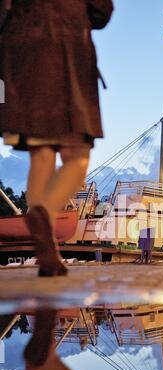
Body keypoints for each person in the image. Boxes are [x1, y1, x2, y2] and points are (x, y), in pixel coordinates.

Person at [0, 0, 113, 276]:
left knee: (41, 156)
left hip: (22, 59)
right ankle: (44, 213)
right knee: (77, 160)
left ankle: (46, 246)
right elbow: (101, 12)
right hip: (67, 56)